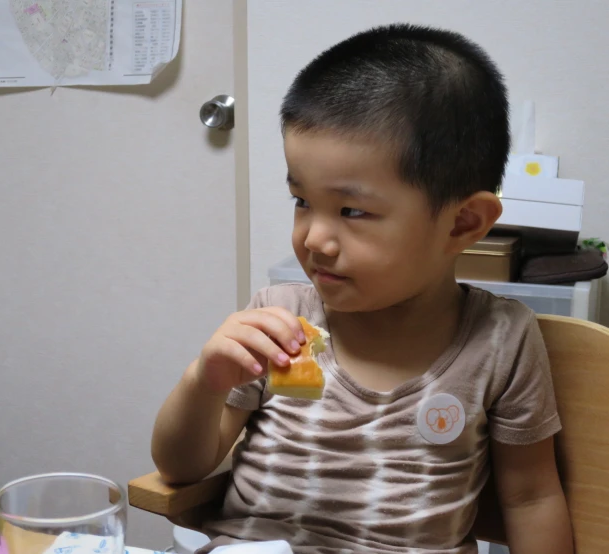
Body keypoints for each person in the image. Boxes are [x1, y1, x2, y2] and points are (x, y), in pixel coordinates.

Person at [152, 23, 573, 554]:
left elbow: (531, 499)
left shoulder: (500, 341)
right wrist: (202, 384)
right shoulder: (279, 318)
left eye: (353, 211)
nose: (314, 238)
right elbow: (179, 466)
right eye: (301, 201)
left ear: (464, 223)